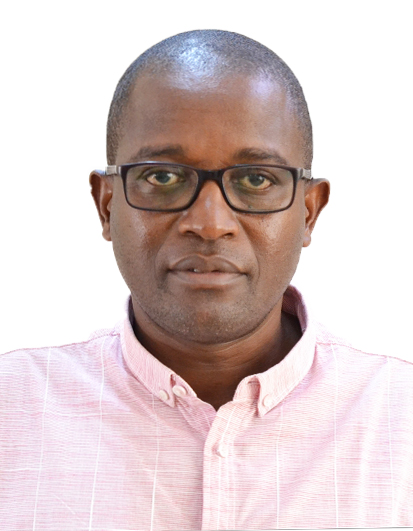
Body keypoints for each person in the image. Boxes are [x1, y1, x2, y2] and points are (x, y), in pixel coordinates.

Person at [1, 29, 412, 530]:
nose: (210, 222)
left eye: (256, 179)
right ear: (107, 205)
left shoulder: (401, 419)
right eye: (163, 177)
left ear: (308, 213)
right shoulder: (11, 411)